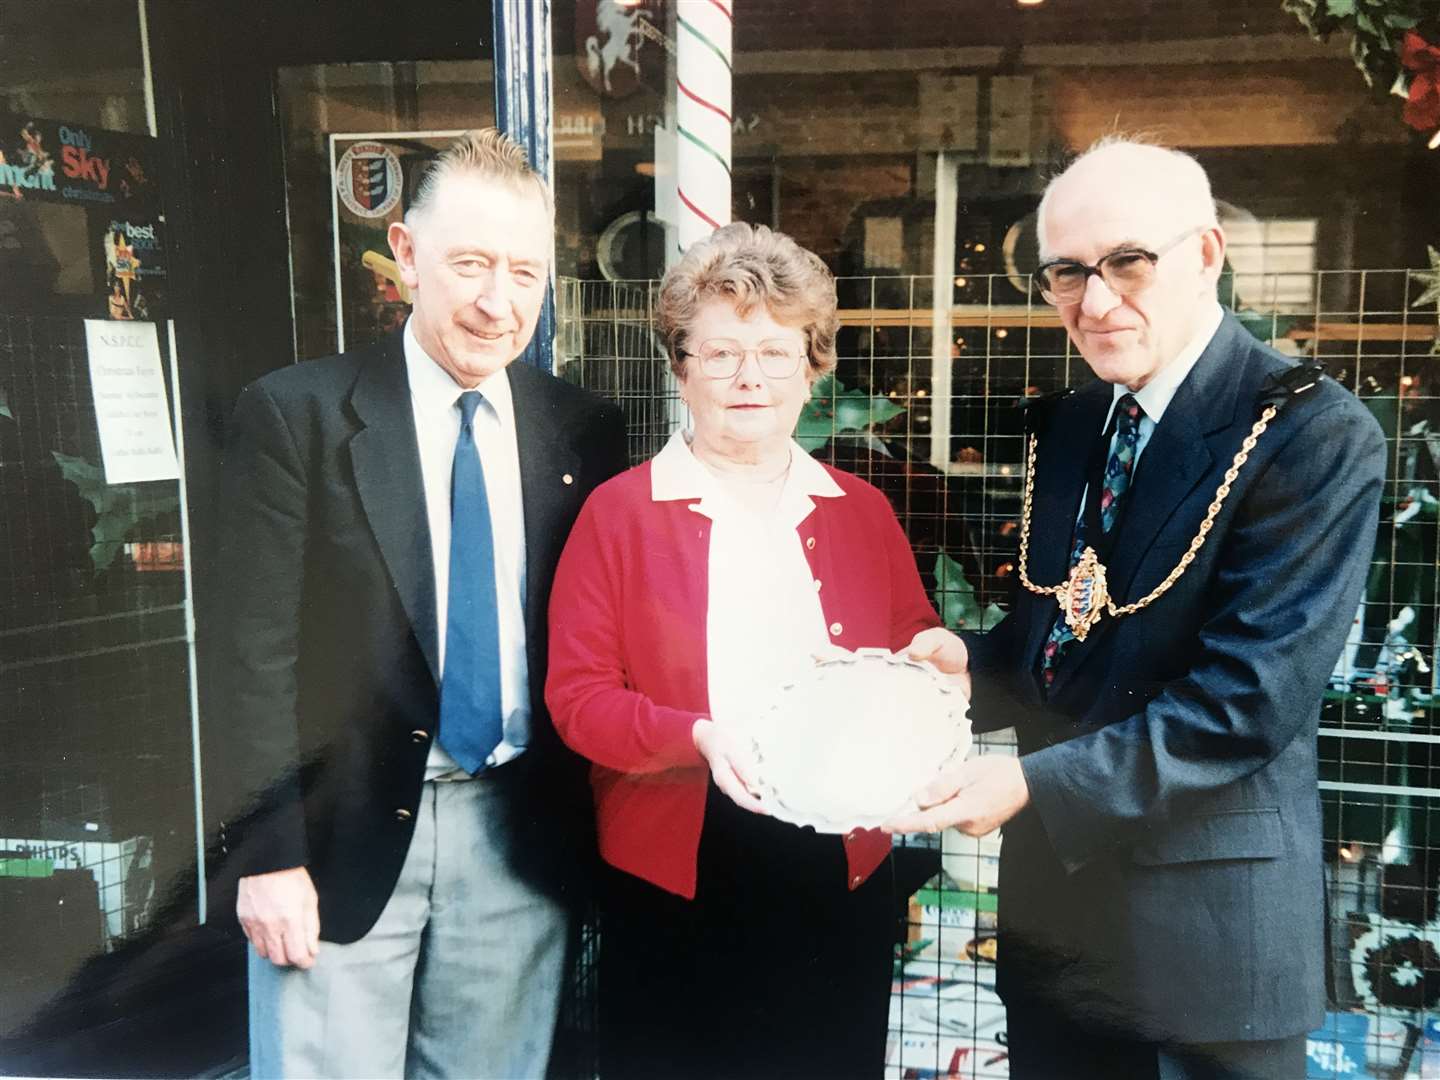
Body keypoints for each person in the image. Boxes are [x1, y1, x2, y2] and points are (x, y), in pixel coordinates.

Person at [885, 137, 1387, 1079]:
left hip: (1205, 949)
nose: (1096, 300)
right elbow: (1067, 638)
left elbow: (1246, 705)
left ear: (1205, 255)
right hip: (1058, 935)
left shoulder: (1311, 432)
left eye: (1128, 262)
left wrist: (1032, 784)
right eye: (1066, 272)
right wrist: (971, 668)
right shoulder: (1075, 425)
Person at [214, 128, 628, 1079]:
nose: (497, 302)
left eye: (524, 272)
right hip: (337, 840)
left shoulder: (583, 428)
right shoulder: (297, 416)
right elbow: (251, 657)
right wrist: (267, 857)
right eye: (470, 264)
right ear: (404, 253)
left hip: (517, 841)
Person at [545, 221, 965, 1079]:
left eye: (776, 353)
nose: (749, 377)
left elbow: (908, 648)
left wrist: (934, 656)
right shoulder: (618, 514)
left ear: (813, 370)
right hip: (675, 857)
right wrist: (695, 734)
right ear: (681, 367)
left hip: (838, 855)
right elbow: (578, 699)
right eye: (722, 351)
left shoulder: (862, 511)